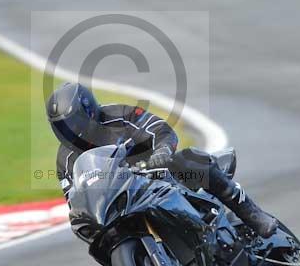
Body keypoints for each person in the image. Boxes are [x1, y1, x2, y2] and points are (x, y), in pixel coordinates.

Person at [47, 82, 278, 237]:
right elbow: (74, 197)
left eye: (75, 123)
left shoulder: (119, 115)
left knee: (189, 160)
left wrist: (161, 153)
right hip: (123, 197)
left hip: (159, 175)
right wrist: (81, 218)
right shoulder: (65, 159)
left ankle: (253, 215)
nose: (72, 131)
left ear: (90, 112)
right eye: (64, 127)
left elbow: (160, 129)